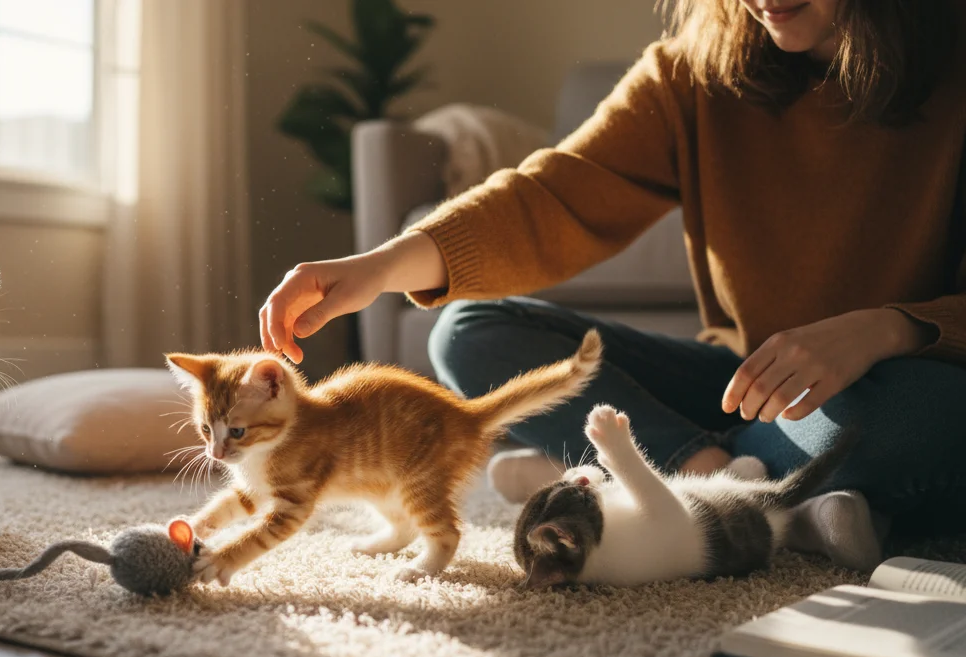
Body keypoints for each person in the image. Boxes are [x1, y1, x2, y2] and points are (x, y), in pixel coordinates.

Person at [257, 0, 966, 556]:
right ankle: (734, 490)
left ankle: (648, 485)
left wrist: (888, 328)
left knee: (936, 413)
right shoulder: (693, 73)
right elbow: (553, 196)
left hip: (901, 378)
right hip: (740, 384)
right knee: (470, 331)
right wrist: (378, 265)